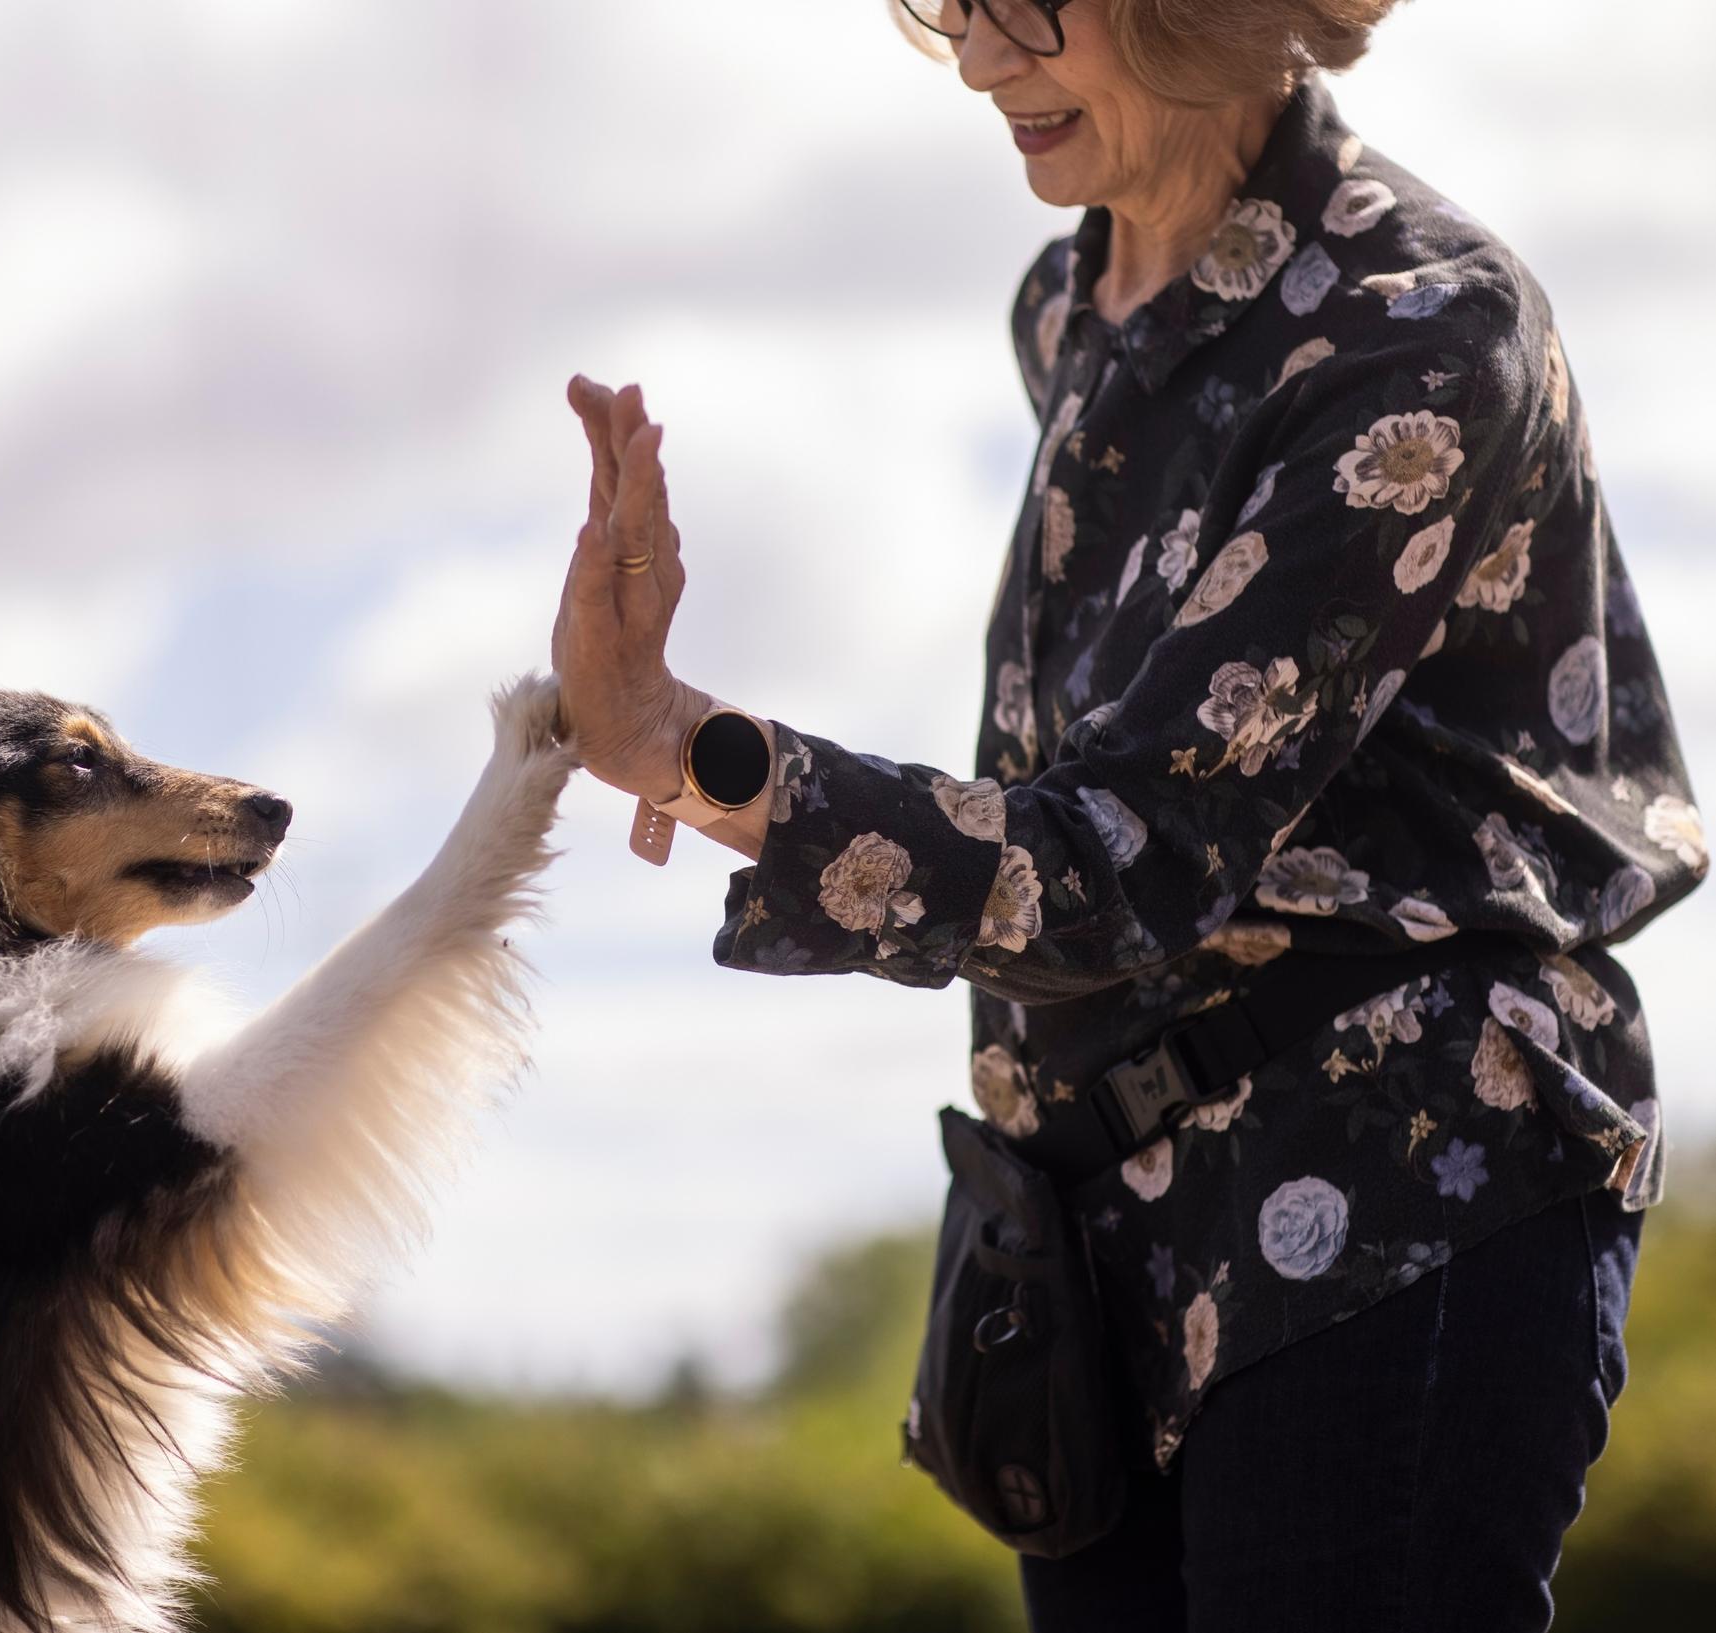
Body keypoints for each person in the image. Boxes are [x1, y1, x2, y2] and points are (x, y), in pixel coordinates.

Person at [547, 2, 1705, 1628]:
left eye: (1032, 3)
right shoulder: (1069, 302)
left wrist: (688, 749)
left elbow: (1123, 862)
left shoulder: (1421, 330)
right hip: (1096, 1262)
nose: (975, 60)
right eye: (955, 3)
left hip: (1395, 1195)